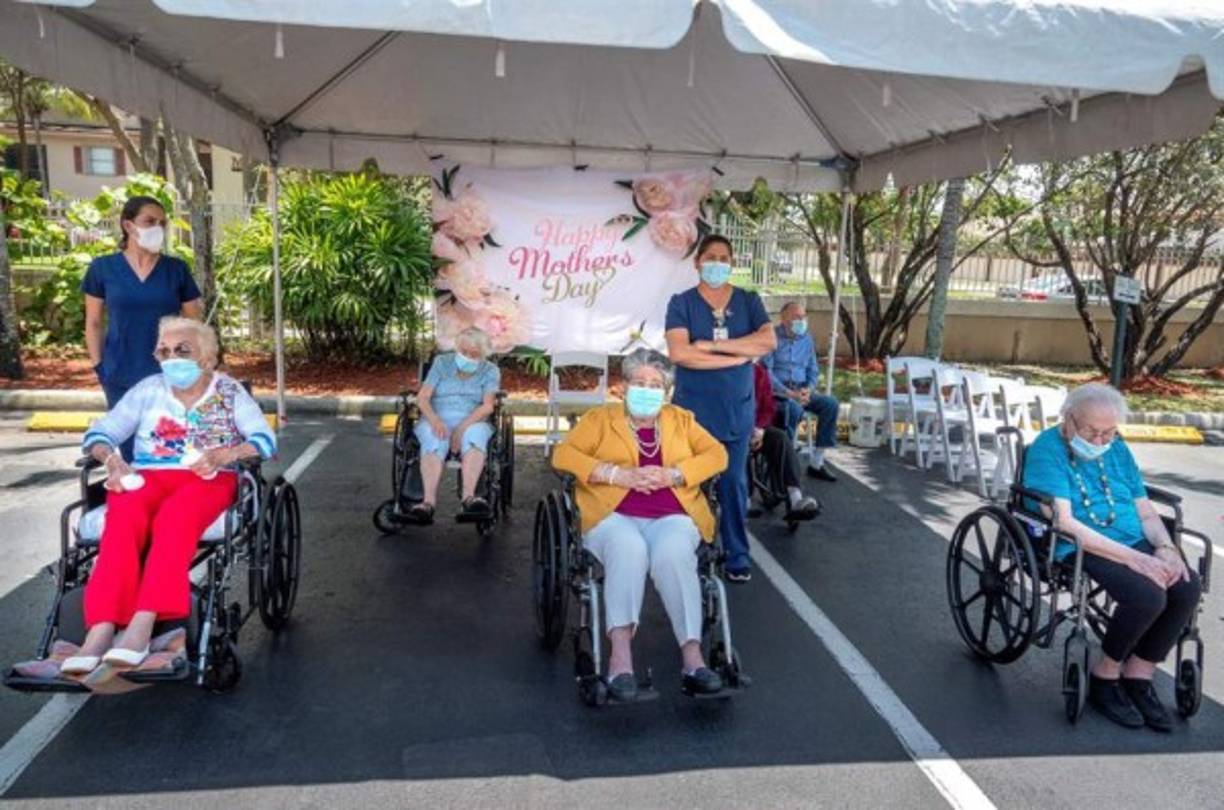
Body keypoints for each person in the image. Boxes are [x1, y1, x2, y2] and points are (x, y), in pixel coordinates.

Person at [60, 318, 276, 675]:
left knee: (176, 517)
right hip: (149, 474)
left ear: (206, 357)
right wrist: (112, 460)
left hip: (211, 475)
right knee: (123, 515)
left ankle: (142, 626)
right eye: (164, 351)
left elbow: (264, 440)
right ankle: (101, 629)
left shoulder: (229, 392)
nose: (171, 357)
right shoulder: (148, 389)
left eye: (182, 350)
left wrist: (225, 454)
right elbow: (100, 434)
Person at [1023, 382, 1201, 732]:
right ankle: (1105, 676)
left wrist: (1166, 550)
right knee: (1147, 595)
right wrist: (1135, 560)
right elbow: (1065, 521)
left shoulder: (1116, 448)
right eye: (1093, 432)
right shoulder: (1048, 450)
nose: (1101, 440)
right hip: (1081, 543)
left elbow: (1145, 511)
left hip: (1132, 537)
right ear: (1069, 419)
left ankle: (1138, 675)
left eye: (1109, 432)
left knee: (1185, 586)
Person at [552, 348, 728, 701]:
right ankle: (620, 661)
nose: (647, 390)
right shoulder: (600, 419)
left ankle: (693, 659)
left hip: (672, 514)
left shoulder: (681, 420)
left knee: (674, 553)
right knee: (628, 548)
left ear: (666, 391)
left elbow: (717, 455)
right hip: (611, 515)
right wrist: (617, 474)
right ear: (624, 387)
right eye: (639, 382)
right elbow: (563, 455)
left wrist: (675, 474)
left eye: (655, 384)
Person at [665, 234, 776, 583]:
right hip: (692, 412)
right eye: (710, 257)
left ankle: (737, 555)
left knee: (733, 484)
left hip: (735, 412)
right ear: (697, 262)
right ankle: (689, 550)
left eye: (724, 258)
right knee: (690, 483)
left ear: (732, 263)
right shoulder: (681, 303)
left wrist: (712, 346)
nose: (717, 263)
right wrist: (738, 356)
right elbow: (680, 353)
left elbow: (768, 341)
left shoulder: (748, 301)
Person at [83, 196, 203, 459]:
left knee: (167, 448)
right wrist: (99, 366)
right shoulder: (103, 268)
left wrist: (194, 366)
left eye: (162, 223)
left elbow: (194, 324)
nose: (157, 228)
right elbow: (93, 323)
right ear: (128, 225)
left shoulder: (176, 270)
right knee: (130, 451)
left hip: (169, 372)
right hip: (119, 372)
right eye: (150, 221)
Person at [410, 326, 500, 523]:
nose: (467, 357)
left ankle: (469, 498)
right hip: (437, 416)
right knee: (434, 438)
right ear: (457, 348)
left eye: (474, 354)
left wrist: (461, 429)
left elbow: (487, 406)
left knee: (475, 437)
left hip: (473, 419)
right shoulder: (442, 363)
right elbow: (423, 398)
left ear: (483, 354)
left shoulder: (490, 371)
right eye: (463, 351)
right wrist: (435, 420)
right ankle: (427, 502)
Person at [761, 301, 840, 482]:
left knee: (830, 405)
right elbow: (766, 373)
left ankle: (817, 462)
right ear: (783, 318)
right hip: (779, 393)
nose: (801, 320)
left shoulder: (807, 339)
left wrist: (808, 389)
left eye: (804, 316)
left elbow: (813, 369)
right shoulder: (771, 337)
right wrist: (789, 393)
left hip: (801, 390)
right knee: (793, 410)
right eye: (797, 317)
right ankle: (784, 464)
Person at [750, 360, 820, 522]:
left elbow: (768, 408)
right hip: (733, 431)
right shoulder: (723, 370)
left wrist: (760, 428)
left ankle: (795, 497)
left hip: (757, 428)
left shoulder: (759, 372)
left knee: (780, 438)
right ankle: (742, 501)